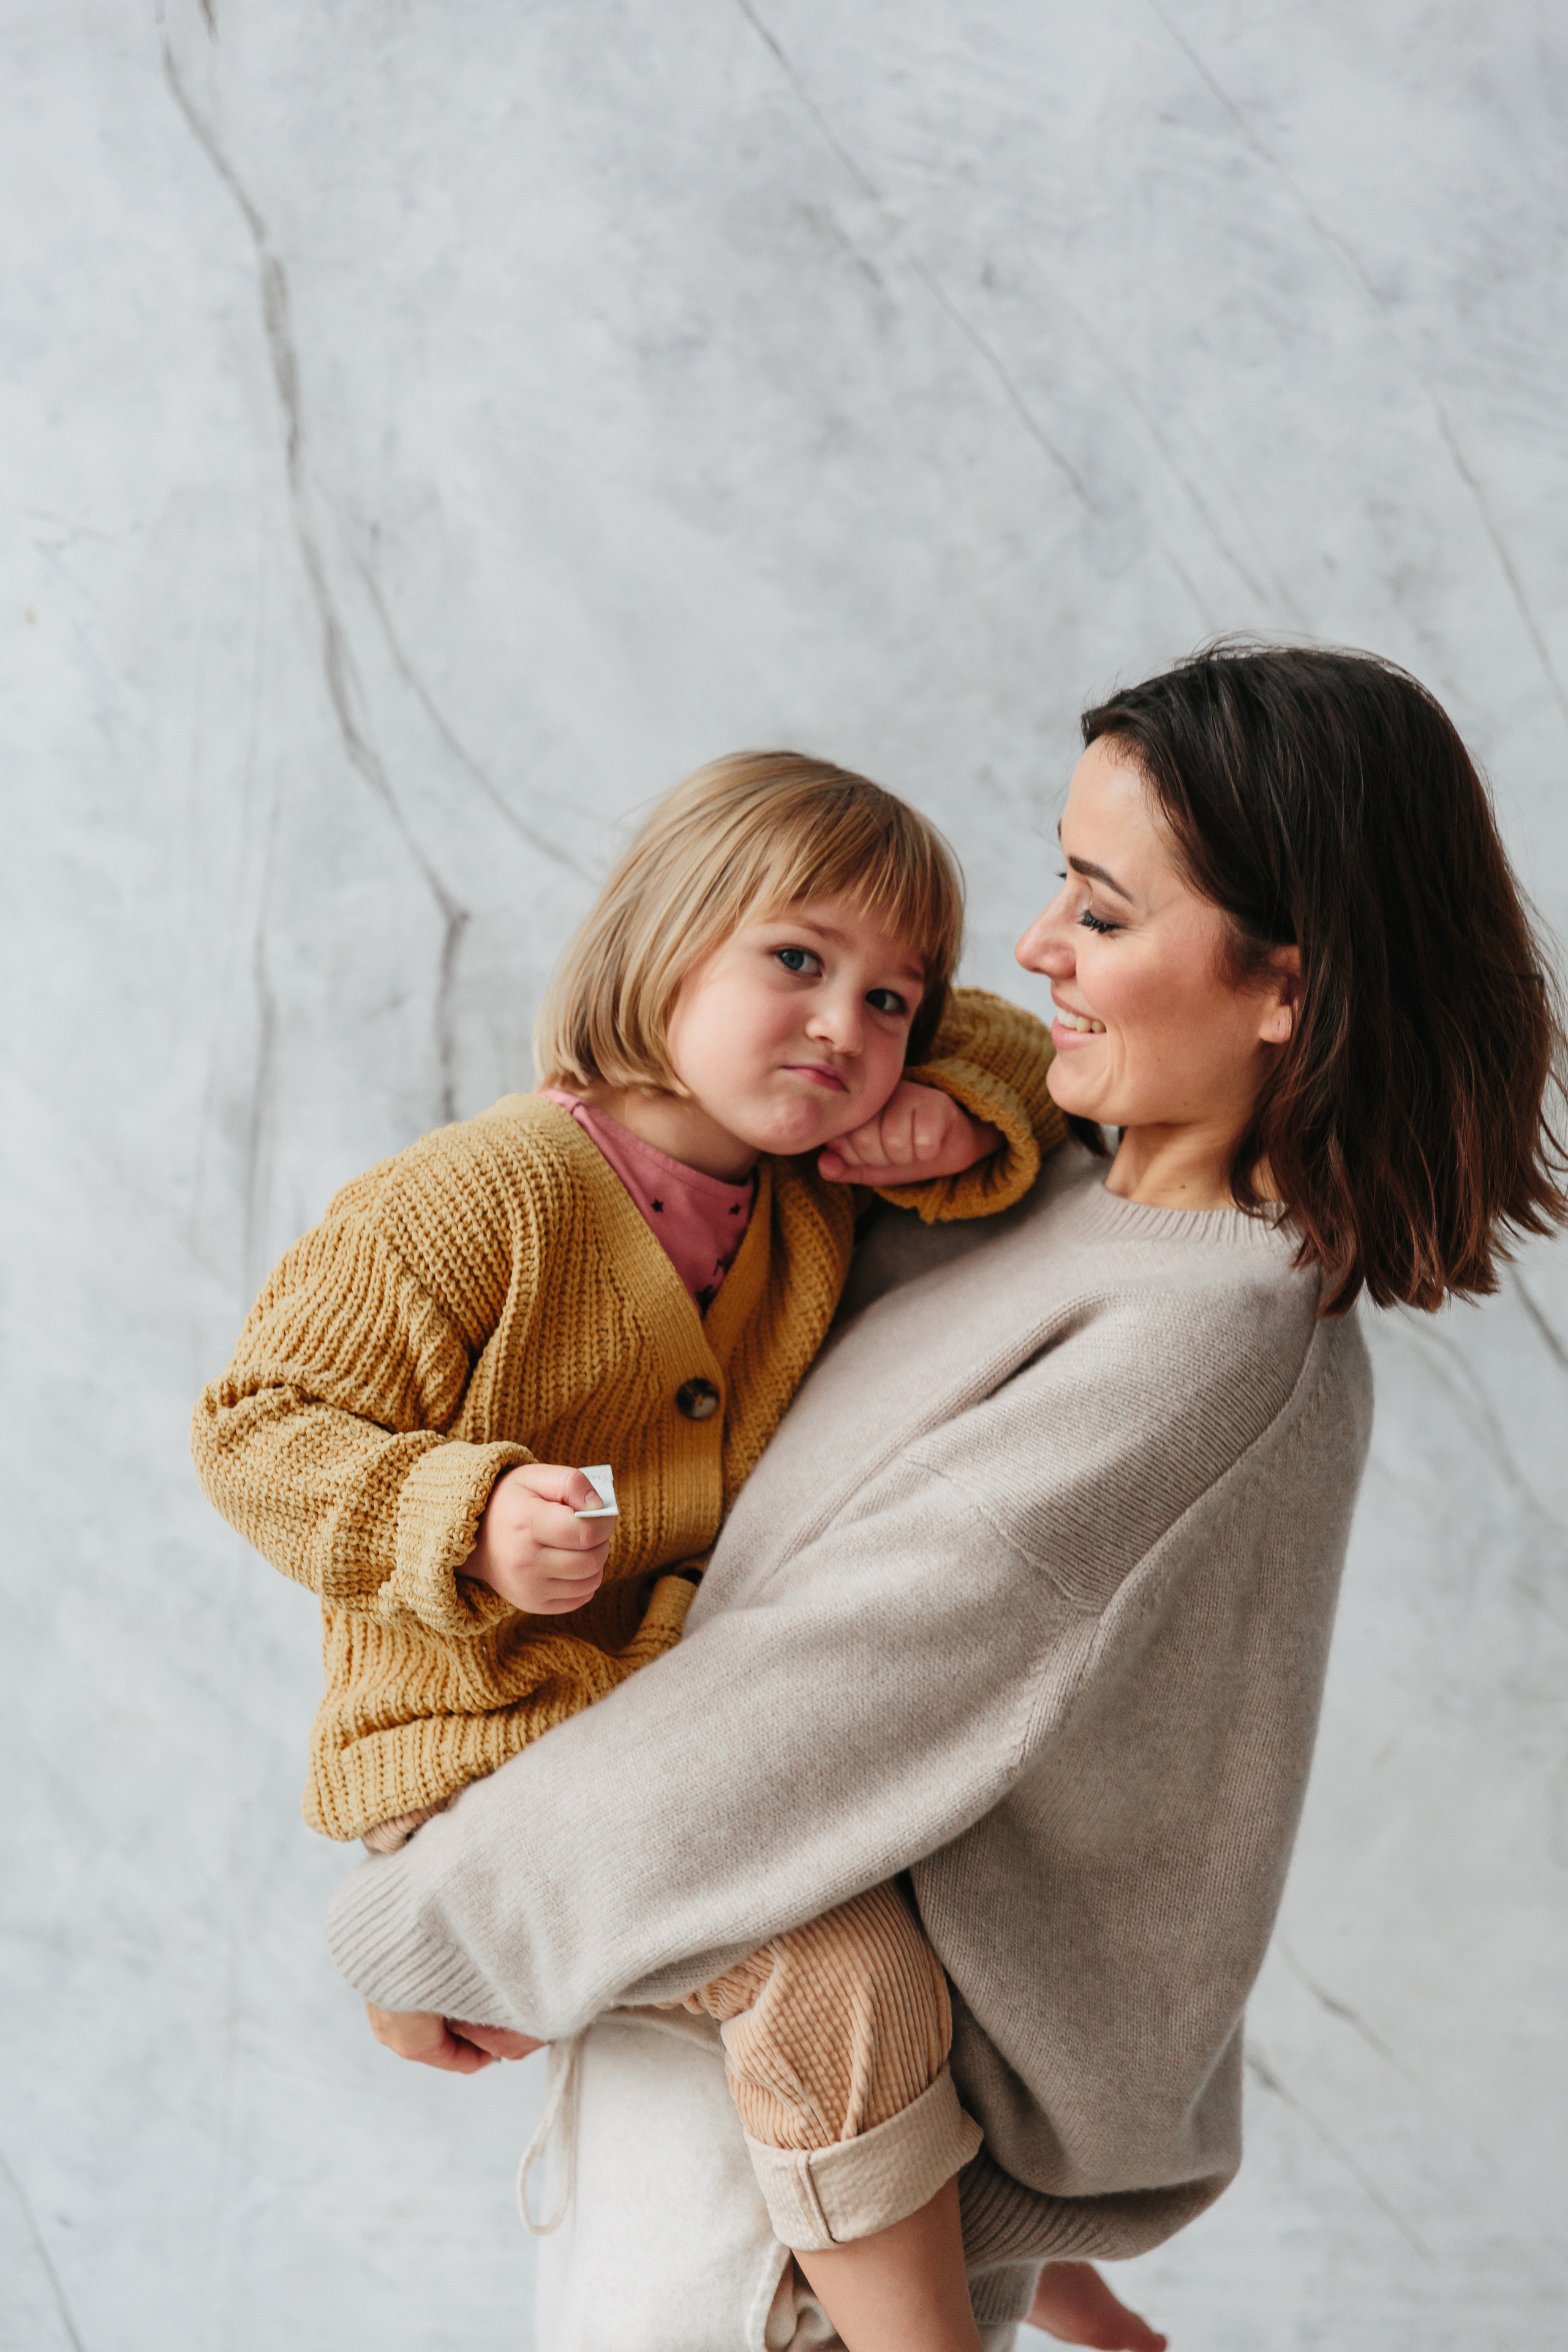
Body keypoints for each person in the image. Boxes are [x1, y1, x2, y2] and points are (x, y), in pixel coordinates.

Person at [325, 644, 1567, 2352]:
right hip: (706, 2095)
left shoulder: (1207, 1333)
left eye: (1106, 914)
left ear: (1290, 983)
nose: (1040, 943)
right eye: (1061, 879)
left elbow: (825, 1691)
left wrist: (430, 1924)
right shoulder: (1058, 1204)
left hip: (770, 2214)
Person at [190, 751, 1072, 2352]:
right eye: (796, 962)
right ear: (659, 944)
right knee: (842, 1970)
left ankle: (1031, 2252)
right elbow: (256, 1424)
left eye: (892, 1001)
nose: (846, 1028)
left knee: (976, 1873)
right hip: (486, 1748)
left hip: (667, 1738)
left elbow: (1019, 1044)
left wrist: (957, 1103)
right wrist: (460, 1514)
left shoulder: (801, 1195)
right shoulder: (480, 1199)